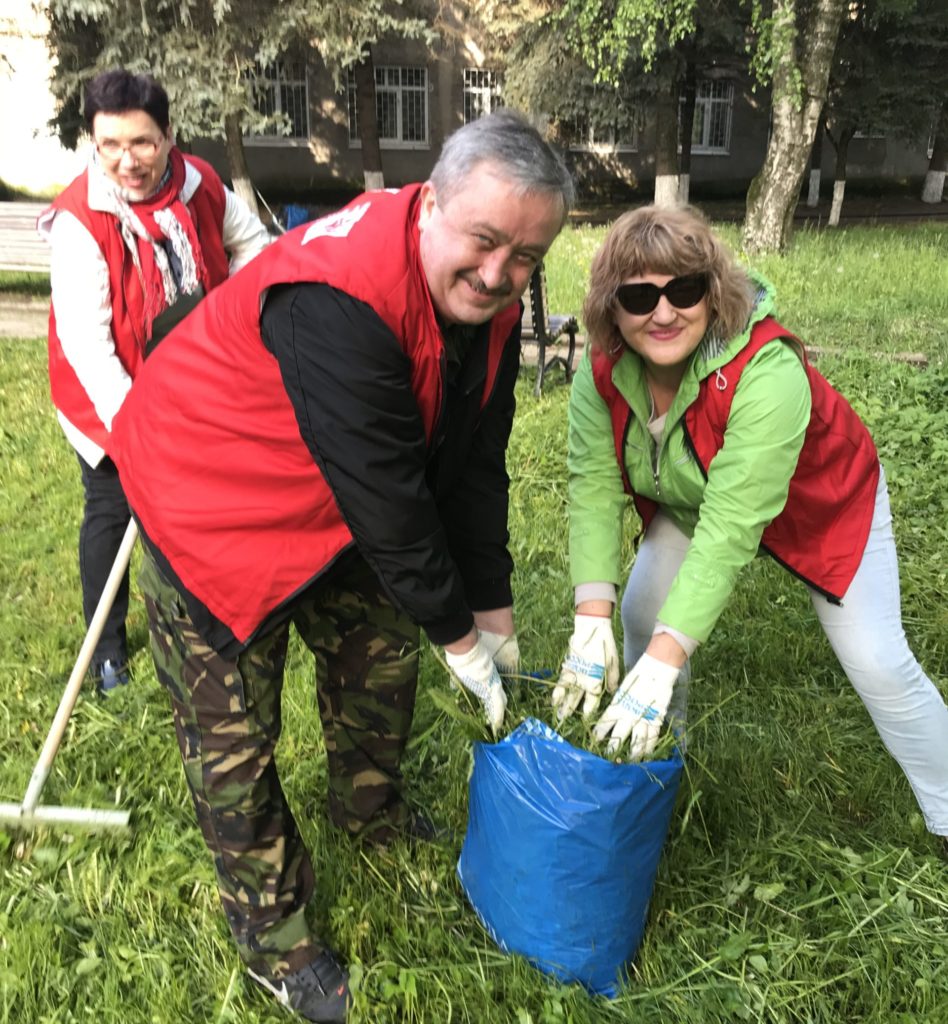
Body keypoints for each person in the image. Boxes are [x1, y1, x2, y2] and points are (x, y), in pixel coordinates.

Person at [108, 110, 574, 1023]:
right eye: (484, 242)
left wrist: (495, 614)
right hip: (211, 500)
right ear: (430, 204)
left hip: (331, 495)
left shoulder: (492, 300)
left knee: (380, 658)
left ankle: (373, 810)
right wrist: (457, 635)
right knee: (234, 742)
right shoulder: (340, 295)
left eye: (525, 256)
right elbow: (395, 503)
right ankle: (276, 942)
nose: (499, 274)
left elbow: (474, 464)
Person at [553, 204, 948, 854]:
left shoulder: (769, 371)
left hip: (821, 502)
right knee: (640, 613)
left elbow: (733, 527)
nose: (663, 312)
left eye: (683, 290)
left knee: (878, 663)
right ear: (610, 309)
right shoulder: (601, 373)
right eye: (638, 295)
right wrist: (590, 615)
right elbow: (593, 488)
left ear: (713, 294)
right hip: (694, 495)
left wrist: (666, 656)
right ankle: (654, 755)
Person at [38, 69, 270, 694]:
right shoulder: (80, 221)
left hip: (192, 382)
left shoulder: (201, 185)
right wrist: (143, 432)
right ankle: (107, 650)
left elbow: (252, 245)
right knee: (113, 508)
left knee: (199, 501)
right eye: (108, 144)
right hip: (107, 398)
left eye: (141, 142)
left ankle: (212, 614)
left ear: (169, 135)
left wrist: (238, 316)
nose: (126, 161)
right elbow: (89, 346)